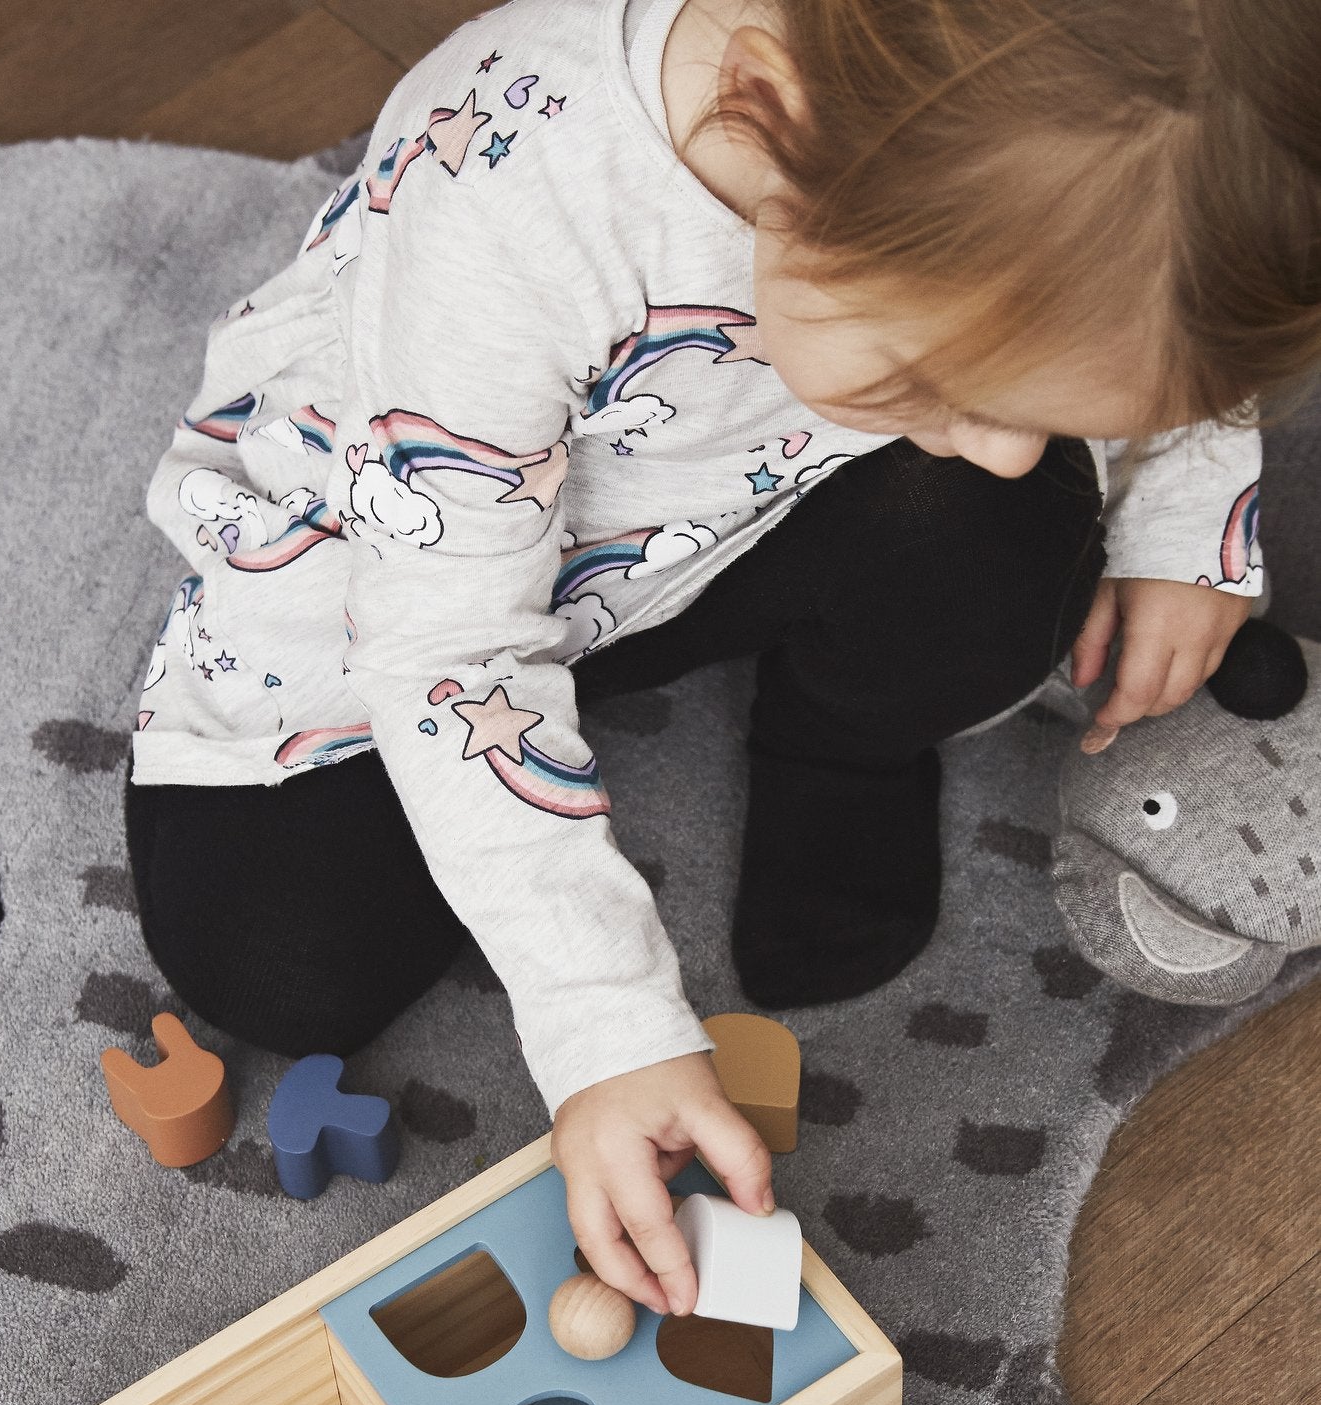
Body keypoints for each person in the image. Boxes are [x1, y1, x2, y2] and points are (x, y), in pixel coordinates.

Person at [124, 0, 1320, 1316]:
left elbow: (1188, 220)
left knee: (1008, 538)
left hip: (741, 508)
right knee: (279, 968)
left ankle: (839, 750)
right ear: (769, 109)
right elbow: (447, 640)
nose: (993, 441)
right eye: (936, 379)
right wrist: (606, 1031)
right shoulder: (516, 205)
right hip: (405, 580)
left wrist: (1184, 511)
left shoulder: (1024, 147)